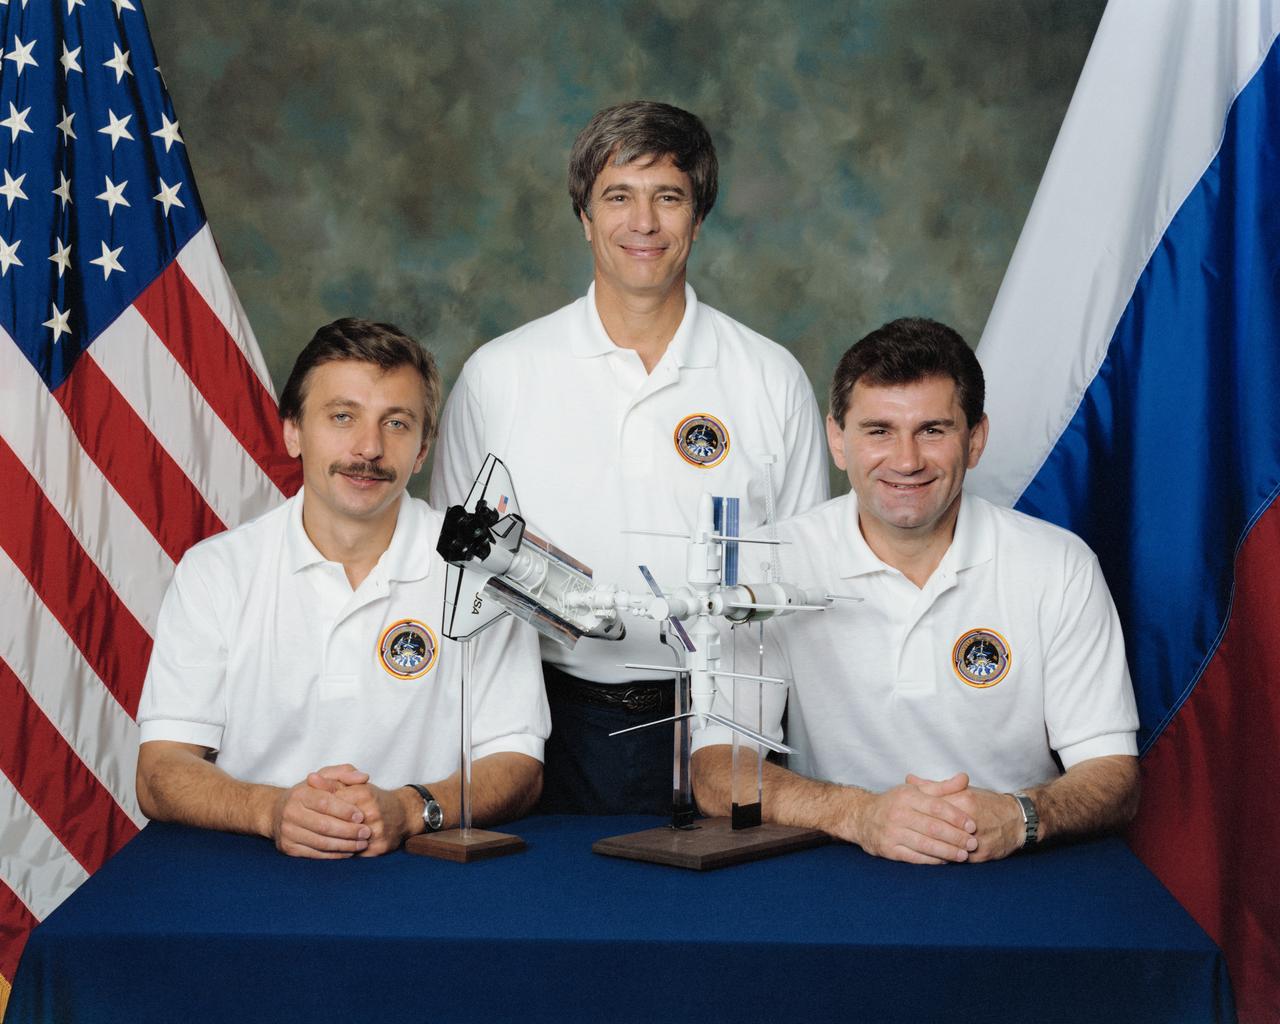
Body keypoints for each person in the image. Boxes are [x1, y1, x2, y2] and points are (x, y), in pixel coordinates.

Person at [430, 101, 829, 815]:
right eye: (618, 196)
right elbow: (456, 572)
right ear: (584, 216)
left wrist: (742, 737)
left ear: (697, 217)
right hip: (541, 730)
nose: (642, 223)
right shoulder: (501, 375)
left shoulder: (770, 379)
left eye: (667, 198)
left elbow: (798, 576)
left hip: (722, 729)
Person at [691, 317, 1140, 863]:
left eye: (933, 430)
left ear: (975, 440)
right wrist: (859, 814)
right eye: (878, 431)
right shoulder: (768, 563)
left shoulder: (1059, 565)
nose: (906, 460)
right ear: (838, 440)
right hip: (839, 862)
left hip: (1017, 865)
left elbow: (1114, 775)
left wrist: (1019, 815)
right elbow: (718, 771)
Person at [136, 318, 549, 858]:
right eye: (342, 417)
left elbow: (519, 766)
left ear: (423, 448)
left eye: (397, 424)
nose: (369, 447)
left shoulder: (479, 568)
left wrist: (408, 808)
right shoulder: (216, 571)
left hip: (426, 868)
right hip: (251, 866)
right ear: (292, 431)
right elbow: (159, 771)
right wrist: (274, 810)